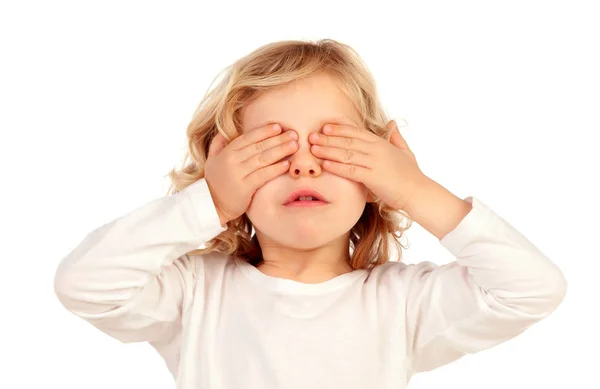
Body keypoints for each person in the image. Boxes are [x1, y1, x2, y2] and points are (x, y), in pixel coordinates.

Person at [53, 39, 567, 389]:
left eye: (333, 146)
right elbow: (85, 284)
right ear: (226, 168)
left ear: (375, 175)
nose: (303, 165)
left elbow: (532, 289)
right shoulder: (195, 294)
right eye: (271, 149)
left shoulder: (403, 304)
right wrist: (210, 200)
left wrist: (412, 188)